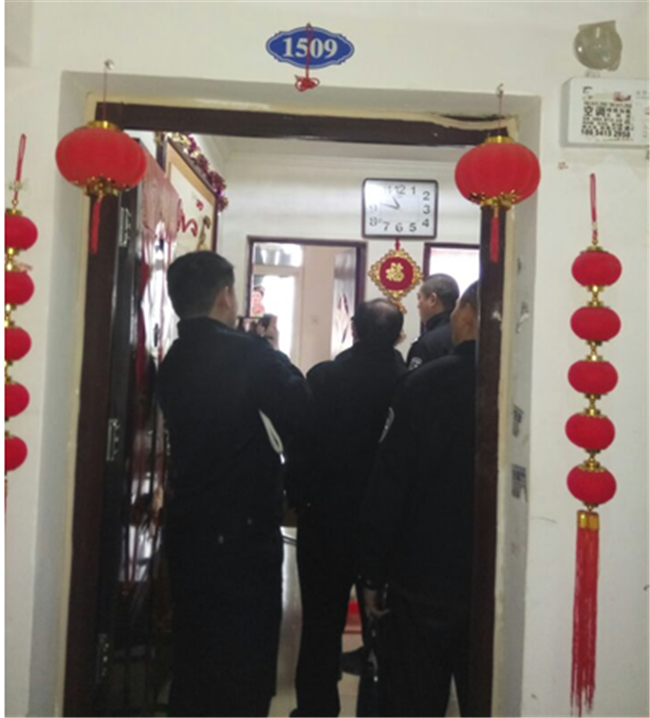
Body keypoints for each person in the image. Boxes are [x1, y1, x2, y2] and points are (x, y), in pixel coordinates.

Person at [158, 252, 310, 717]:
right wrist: (273, 349)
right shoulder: (251, 355)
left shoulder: (173, 359)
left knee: (194, 651)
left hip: (188, 525)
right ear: (226, 295)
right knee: (244, 657)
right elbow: (301, 411)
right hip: (243, 533)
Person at [360, 280, 479, 717]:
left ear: (467, 314)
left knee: (413, 698)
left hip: (422, 578)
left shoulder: (424, 382)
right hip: (486, 580)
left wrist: (372, 573)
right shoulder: (518, 386)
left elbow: (390, 484)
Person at [288, 299, 407, 718]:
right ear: (399, 336)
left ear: (353, 329)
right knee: (386, 629)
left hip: (326, 520)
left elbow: (301, 446)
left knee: (320, 625)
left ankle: (316, 709)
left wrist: (298, 499)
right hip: (387, 526)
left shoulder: (324, 378)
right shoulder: (410, 384)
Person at [406, 274, 460, 371]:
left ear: (432, 300)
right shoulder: (466, 336)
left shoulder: (425, 344)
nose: (418, 305)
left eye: (419, 297)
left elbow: (415, 379)